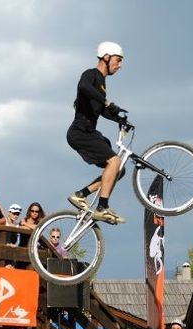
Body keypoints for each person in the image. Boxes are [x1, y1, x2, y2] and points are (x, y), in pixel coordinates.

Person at [66, 41, 126, 224]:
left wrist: (119, 118)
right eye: (118, 60)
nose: (120, 65)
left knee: (118, 169)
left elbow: (99, 108)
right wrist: (106, 101)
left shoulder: (102, 83)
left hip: (90, 132)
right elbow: (84, 87)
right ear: (106, 57)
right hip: (80, 132)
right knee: (114, 160)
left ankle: (80, 195)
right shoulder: (91, 75)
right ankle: (102, 206)